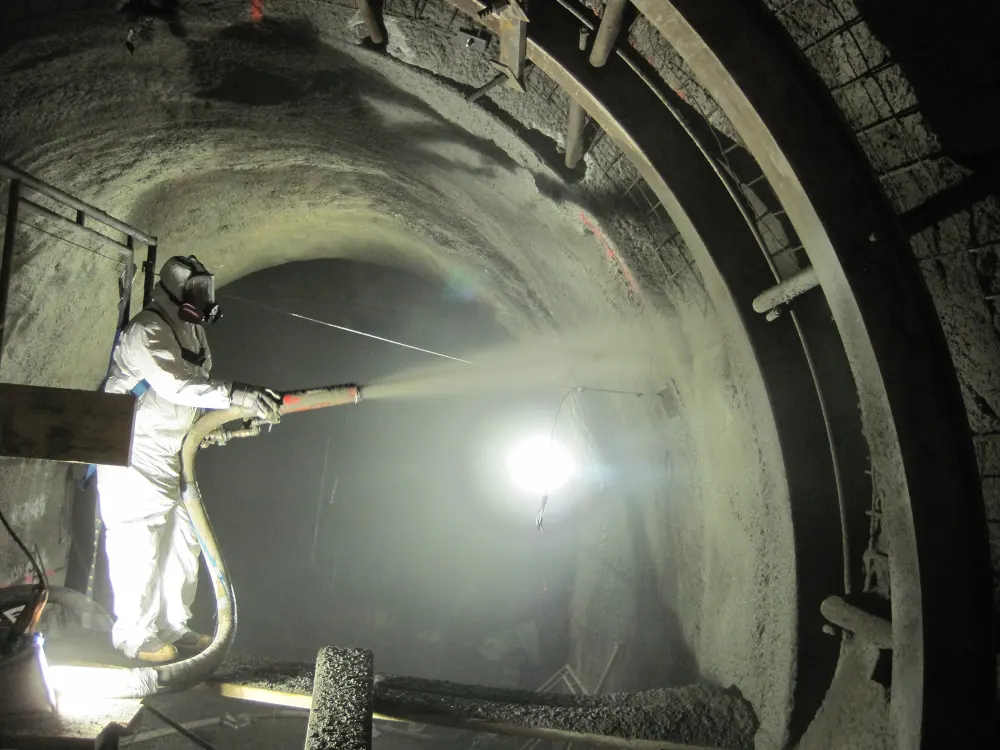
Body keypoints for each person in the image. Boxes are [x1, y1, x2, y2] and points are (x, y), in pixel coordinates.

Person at [96, 255, 280, 663]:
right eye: (197, 290)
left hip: (173, 449)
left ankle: (171, 626)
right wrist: (238, 394)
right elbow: (175, 385)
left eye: (206, 290)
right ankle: (135, 637)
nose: (204, 298)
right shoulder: (147, 329)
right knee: (138, 542)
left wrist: (216, 426)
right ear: (172, 290)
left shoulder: (192, 330)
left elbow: (194, 391)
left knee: (183, 540)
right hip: (134, 451)